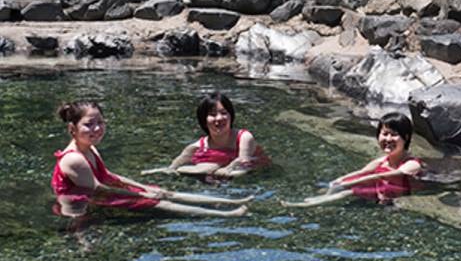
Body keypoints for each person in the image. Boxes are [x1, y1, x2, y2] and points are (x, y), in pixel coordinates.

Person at [52, 100, 251, 219]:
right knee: (160, 203)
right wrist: (143, 196)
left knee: (164, 192)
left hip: (105, 193)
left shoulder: (90, 147)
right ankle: (226, 214)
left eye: (100, 122)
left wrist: (143, 187)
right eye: (89, 124)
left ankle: (229, 200)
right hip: (89, 201)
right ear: (72, 129)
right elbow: (99, 189)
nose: (97, 129)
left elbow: (109, 176)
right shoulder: (74, 160)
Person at [283, 113, 422, 207]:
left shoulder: (412, 164)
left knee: (348, 191)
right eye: (384, 134)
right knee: (340, 185)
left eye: (394, 135)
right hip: (379, 193)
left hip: (396, 197)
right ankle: (323, 198)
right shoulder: (382, 161)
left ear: (407, 137)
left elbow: (380, 176)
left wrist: (346, 185)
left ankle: (308, 205)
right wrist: (339, 180)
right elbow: (362, 172)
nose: (388, 139)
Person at [142, 91, 270, 179]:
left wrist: (220, 169)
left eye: (224, 113)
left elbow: (243, 167)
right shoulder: (197, 147)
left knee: (211, 167)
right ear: (204, 120)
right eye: (213, 114)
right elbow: (173, 168)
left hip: (255, 176)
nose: (219, 118)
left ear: (231, 115)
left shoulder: (244, 137)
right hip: (213, 176)